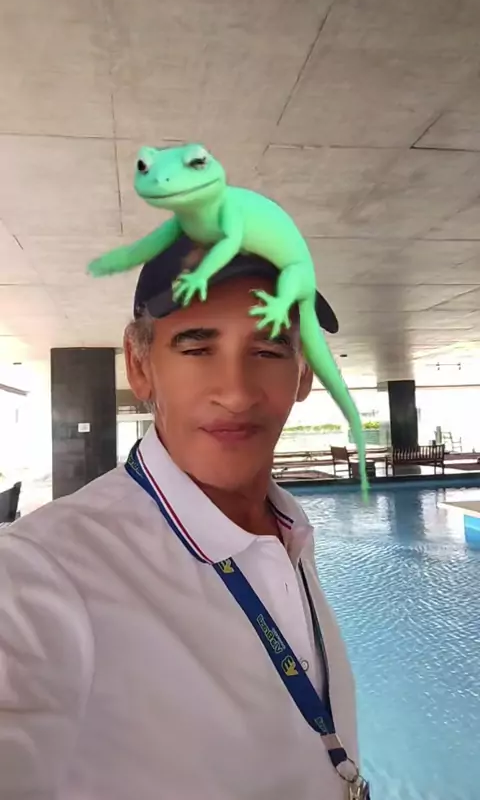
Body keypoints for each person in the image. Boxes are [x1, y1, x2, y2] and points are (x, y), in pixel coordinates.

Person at [0, 237, 362, 800]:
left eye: (268, 350)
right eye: (197, 348)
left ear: (305, 372)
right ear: (140, 365)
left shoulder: (289, 531)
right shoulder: (43, 573)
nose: (236, 394)